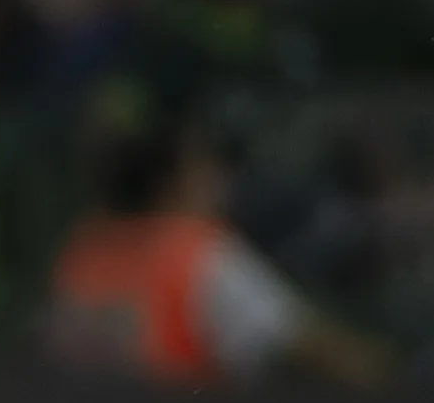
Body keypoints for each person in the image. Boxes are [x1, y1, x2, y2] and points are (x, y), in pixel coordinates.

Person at [48, 114, 390, 387]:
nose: (219, 180)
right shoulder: (197, 251)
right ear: (173, 182)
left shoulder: (87, 247)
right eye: (205, 167)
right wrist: (383, 373)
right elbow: (299, 341)